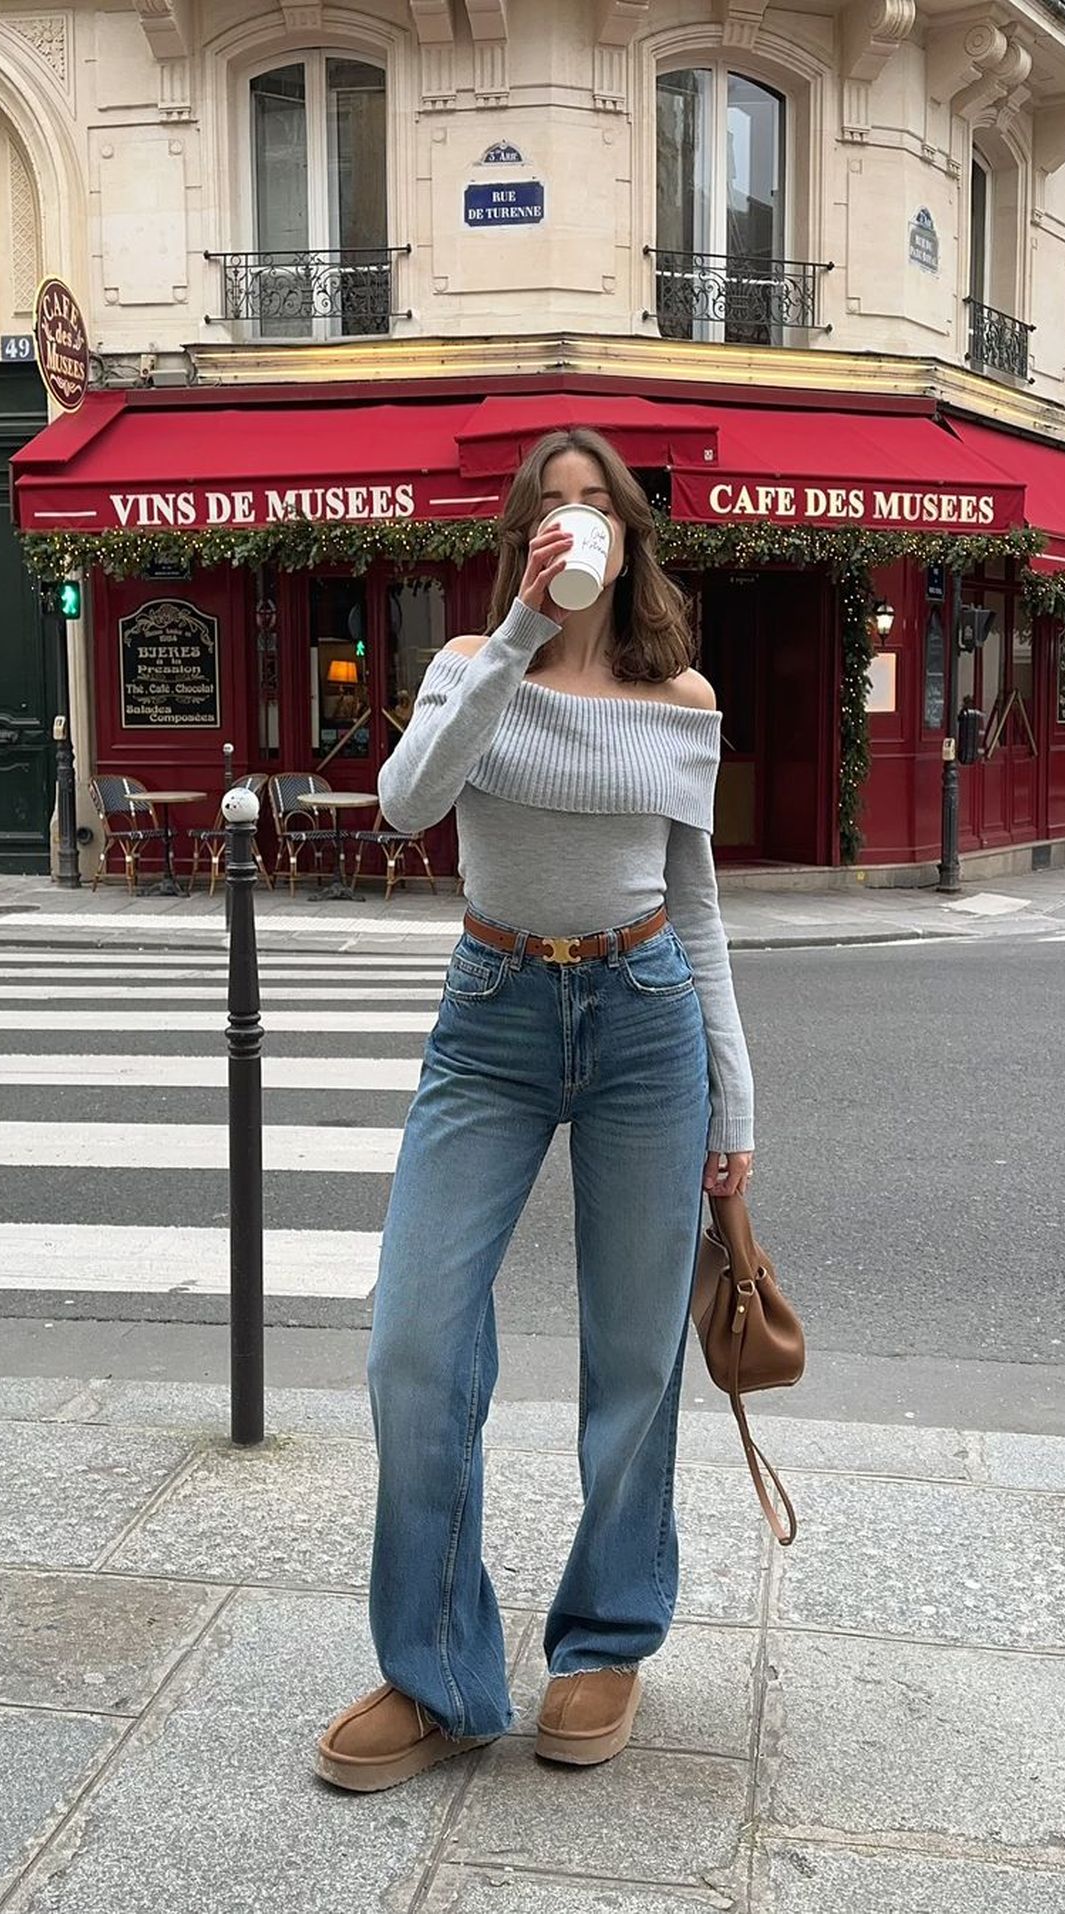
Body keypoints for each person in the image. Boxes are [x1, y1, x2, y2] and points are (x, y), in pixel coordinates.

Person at [315, 427, 755, 1794]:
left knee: (635, 1354)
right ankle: (439, 1672)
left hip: (645, 1015)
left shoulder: (680, 696)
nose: (572, 521)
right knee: (414, 1340)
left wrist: (735, 1104)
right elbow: (404, 805)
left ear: (627, 538)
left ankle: (607, 1638)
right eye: (548, 505)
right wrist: (513, 631)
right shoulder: (469, 665)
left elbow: (696, 907)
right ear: (521, 536)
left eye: (594, 503)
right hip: (492, 1015)